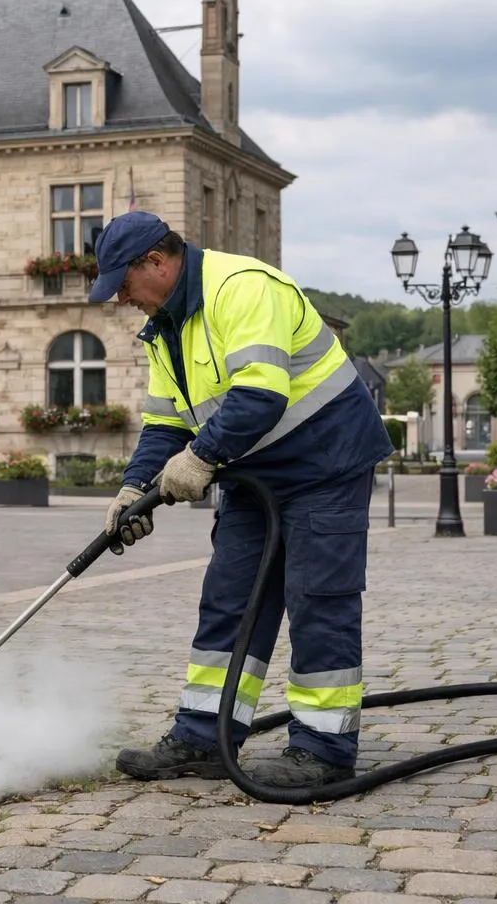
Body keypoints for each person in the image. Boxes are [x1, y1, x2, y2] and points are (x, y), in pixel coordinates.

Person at [91, 210, 393, 789]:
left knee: (317, 599)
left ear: (156, 261)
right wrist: (136, 488)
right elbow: (163, 425)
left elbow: (259, 394)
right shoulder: (165, 328)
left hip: (324, 466)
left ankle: (324, 749)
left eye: (123, 284)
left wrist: (201, 459)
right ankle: (204, 737)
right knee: (229, 599)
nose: (121, 299)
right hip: (253, 475)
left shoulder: (243, 288)